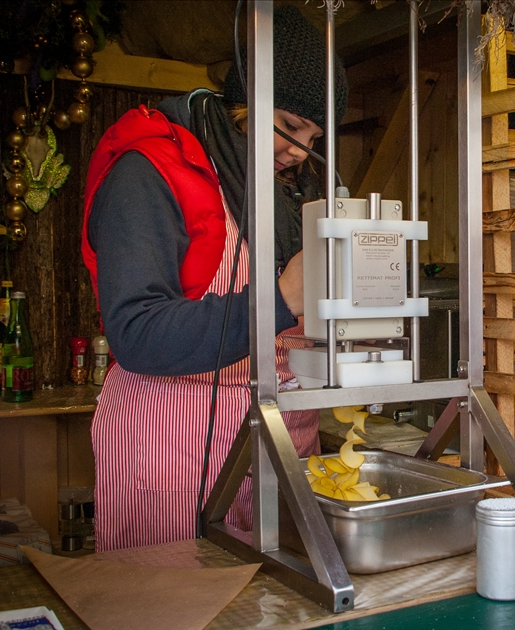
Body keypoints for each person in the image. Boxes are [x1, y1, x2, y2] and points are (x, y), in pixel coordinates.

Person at [80, 4, 348, 552]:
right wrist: (281, 297)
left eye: (313, 138)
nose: (298, 153)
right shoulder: (150, 173)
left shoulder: (277, 198)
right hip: (172, 458)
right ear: (245, 98)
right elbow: (137, 333)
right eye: (291, 127)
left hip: (279, 448)